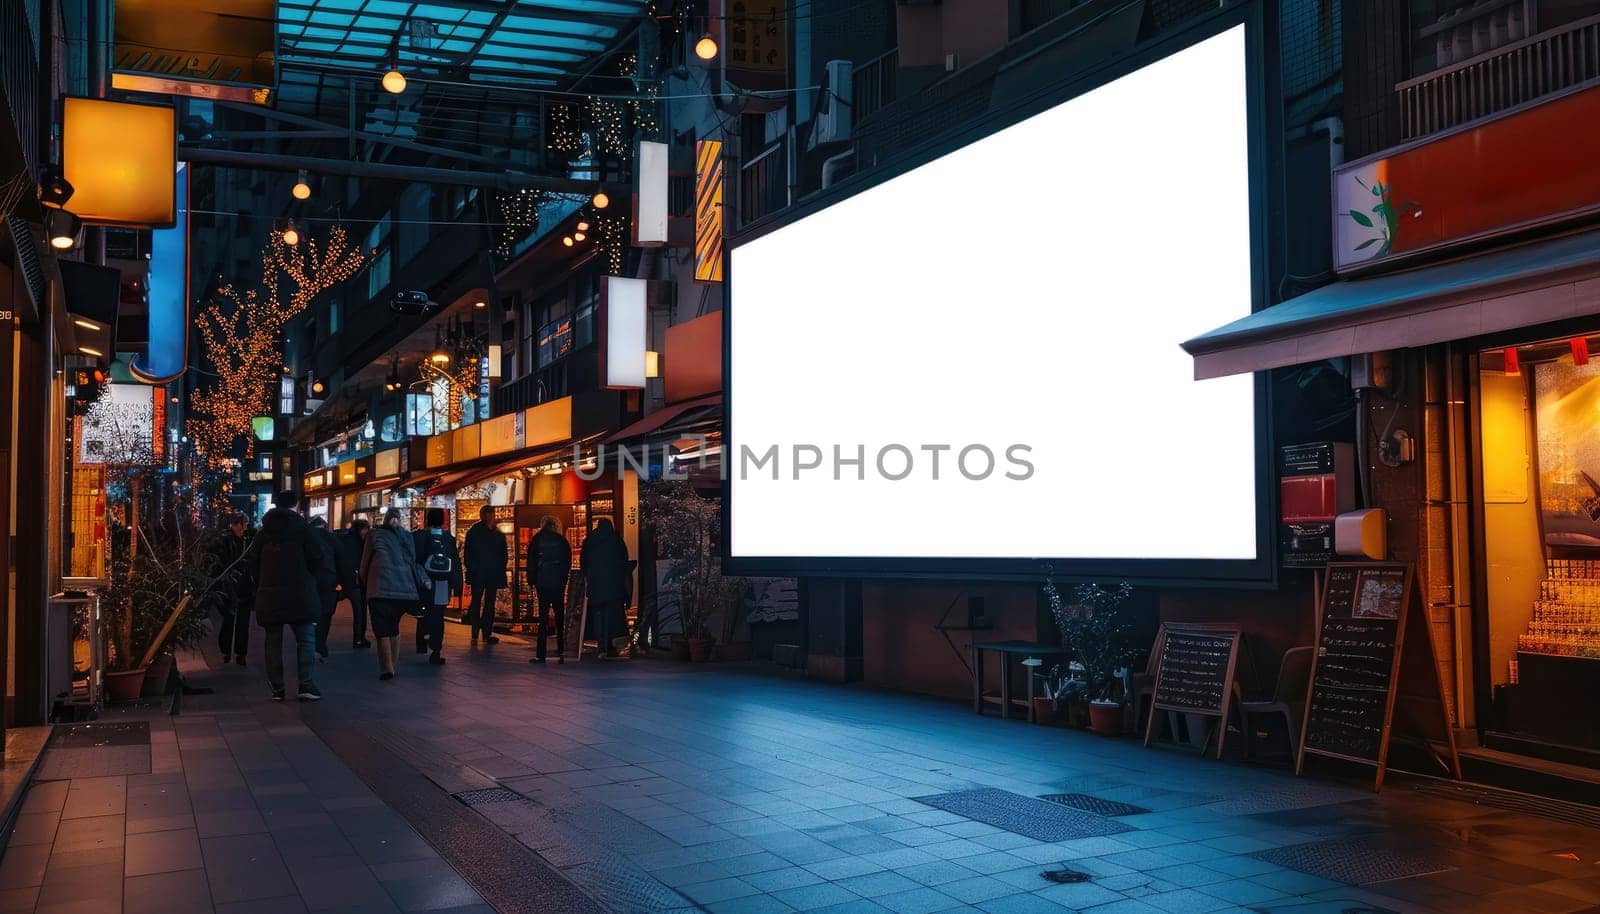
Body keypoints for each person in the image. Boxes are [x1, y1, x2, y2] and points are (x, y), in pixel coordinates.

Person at [251, 490, 324, 702]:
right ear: (296, 505)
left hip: (270, 595)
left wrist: (261, 585)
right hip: (300, 593)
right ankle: (306, 685)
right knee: (306, 640)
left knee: (273, 641)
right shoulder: (304, 529)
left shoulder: (263, 533)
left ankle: (278, 689)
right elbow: (318, 559)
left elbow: (252, 562)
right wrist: (310, 579)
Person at [361, 508, 421, 680]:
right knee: (393, 626)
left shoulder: (374, 535)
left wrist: (364, 581)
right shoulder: (407, 536)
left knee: (381, 630)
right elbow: (413, 560)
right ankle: (392, 665)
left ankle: (387, 668)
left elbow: (365, 561)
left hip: (379, 587)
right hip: (404, 589)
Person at [412, 508, 462, 665]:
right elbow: (455, 562)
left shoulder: (419, 536)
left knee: (423, 611)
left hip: (424, 581)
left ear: (427, 520)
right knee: (438, 615)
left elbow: (414, 560)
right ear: (443, 521)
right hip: (442, 582)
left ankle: (421, 641)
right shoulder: (448, 538)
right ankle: (436, 650)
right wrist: (457, 585)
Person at [581, 517, 631, 659]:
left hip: (596, 585)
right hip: (614, 586)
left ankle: (600, 644)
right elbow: (624, 561)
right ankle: (610, 645)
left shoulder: (590, 541)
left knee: (598, 615)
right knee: (613, 617)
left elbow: (584, 563)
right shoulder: (617, 541)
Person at [206, 512, 252, 666]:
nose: (244, 528)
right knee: (231, 619)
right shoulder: (224, 541)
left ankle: (238, 652)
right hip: (230, 584)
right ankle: (229, 651)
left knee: (239, 621)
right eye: (242, 524)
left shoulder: (244, 540)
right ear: (235, 524)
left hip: (242, 585)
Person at [305, 510, 348, 662]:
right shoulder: (332, 538)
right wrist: (345, 585)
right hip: (329, 581)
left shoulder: (305, 538)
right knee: (325, 614)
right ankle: (320, 645)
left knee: (309, 615)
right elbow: (342, 562)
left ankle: (309, 645)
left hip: (309, 581)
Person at [528, 517, 572, 664]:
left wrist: (532, 580)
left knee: (543, 619)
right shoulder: (561, 540)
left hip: (542, 583)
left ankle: (541, 654)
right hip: (558, 583)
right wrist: (564, 579)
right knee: (560, 617)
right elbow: (567, 562)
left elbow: (531, 562)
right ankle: (561, 651)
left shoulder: (537, 539)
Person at [463, 506, 507, 646]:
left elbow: (468, 554)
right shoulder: (495, 534)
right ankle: (482, 632)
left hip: (484, 573)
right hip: (486, 573)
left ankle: (480, 631)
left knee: (483, 602)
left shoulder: (476, 532)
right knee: (484, 602)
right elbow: (503, 555)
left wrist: (473, 568)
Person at [337, 515, 372, 649]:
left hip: (347, 580)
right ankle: (358, 638)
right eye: (365, 529)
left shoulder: (347, 540)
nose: (366, 532)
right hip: (355, 581)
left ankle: (359, 637)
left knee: (360, 609)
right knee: (360, 610)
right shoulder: (357, 543)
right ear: (360, 529)